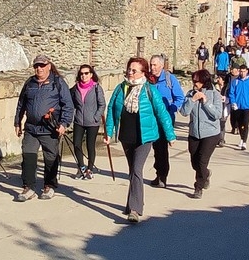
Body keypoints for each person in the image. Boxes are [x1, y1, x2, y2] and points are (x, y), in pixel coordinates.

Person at [104, 57, 176, 223]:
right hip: (126, 136)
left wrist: (170, 135)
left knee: (137, 169)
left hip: (145, 136)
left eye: (134, 70)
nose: (130, 73)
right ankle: (132, 203)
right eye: (129, 69)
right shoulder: (120, 88)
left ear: (143, 73)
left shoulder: (150, 90)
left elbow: (162, 112)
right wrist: (109, 132)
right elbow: (111, 111)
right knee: (132, 171)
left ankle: (135, 209)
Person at [14, 54, 74, 201]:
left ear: (49, 66)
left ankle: (49, 185)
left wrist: (64, 123)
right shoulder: (30, 83)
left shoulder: (58, 82)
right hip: (32, 128)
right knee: (28, 155)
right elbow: (21, 104)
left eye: (42, 65)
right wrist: (17, 122)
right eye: (36, 66)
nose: (39, 68)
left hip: (50, 128)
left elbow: (68, 105)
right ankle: (28, 187)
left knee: (51, 158)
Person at [179, 69, 222, 199]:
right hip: (194, 133)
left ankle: (198, 187)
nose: (194, 84)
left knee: (202, 161)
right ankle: (206, 174)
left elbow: (217, 114)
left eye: (197, 82)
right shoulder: (190, 94)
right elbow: (184, 112)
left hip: (211, 133)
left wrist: (205, 101)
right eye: (193, 81)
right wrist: (192, 100)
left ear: (204, 81)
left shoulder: (215, 94)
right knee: (195, 162)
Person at [149, 55, 185, 188]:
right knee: (156, 148)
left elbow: (180, 98)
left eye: (155, 65)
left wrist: (170, 111)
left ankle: (162, 176)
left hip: (166, 121)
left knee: (162, 149)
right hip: (151, 120)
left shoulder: (170, 79)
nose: (152, 67)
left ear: (162, 66)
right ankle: (159, 173)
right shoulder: (149, 80)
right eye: (151, 65)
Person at [70, 64, 106, 180]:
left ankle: (90, 169)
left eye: (86, 73)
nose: (83, 76)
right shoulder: (76, 88)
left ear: (91, 75)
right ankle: (81, 167)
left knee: (90, 145)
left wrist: (96, 117)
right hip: (79, 120)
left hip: (92, 122)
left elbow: (102, 104)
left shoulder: (96, 88)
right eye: (81, 73)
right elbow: (70, 102)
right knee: (76, 144)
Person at [230, 64, 249, 150]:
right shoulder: (235, 81)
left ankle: (244, 142)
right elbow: (231, 93)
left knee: (245, 123)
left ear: (247, 71)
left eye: (244, 71)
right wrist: (233, 102)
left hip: (248, 107)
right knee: (240, 124)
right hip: (238, 107)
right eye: (241, 71)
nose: (242, 73)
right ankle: (241, 138)